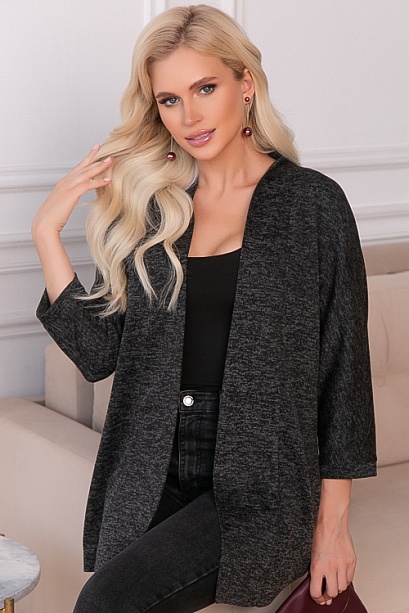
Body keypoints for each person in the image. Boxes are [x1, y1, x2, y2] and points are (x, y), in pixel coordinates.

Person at [32, 5, 376, 612]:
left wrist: (333, 526)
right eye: (169, 99)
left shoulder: (312, 204)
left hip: (259, 479)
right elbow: (97, 354)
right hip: (151, 464)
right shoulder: (156, 209)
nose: (188, 116)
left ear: (245, 84)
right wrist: (45, 233)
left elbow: (343, 372)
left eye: (205, 88)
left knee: (104, 602)